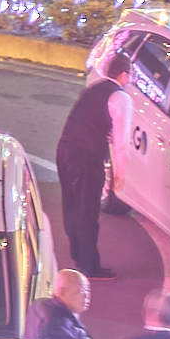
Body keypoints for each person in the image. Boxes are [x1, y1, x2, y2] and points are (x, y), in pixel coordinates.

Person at [56, 75, 119, 277]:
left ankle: (77, 254)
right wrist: (119, 175)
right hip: (88, 156)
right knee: (88, 211)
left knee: (71, 204)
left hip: (65, 148)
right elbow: (122, 143)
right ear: (124, 75)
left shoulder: (94, 88)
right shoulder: (119, 96)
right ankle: (90, 265)